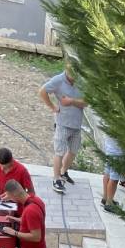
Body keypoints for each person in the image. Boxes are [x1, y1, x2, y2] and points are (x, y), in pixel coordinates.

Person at [39, 62, 87, 194]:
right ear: (66, 70)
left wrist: (71, 101)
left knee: (73, 150)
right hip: (62, 123)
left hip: (76, 124)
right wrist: (53, 107)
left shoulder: (81, 81)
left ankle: (64, 172)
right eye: (72, 75)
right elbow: (42, 91)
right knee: (59, 151)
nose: (74, 78)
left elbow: (86, 102)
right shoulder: (58, 80)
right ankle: (56, 179)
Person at [101, 136, 125, 214]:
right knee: (114, 179)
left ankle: (105, 198)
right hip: (117, 153)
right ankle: (109, 203)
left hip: (110, 151)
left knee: (107, 174)